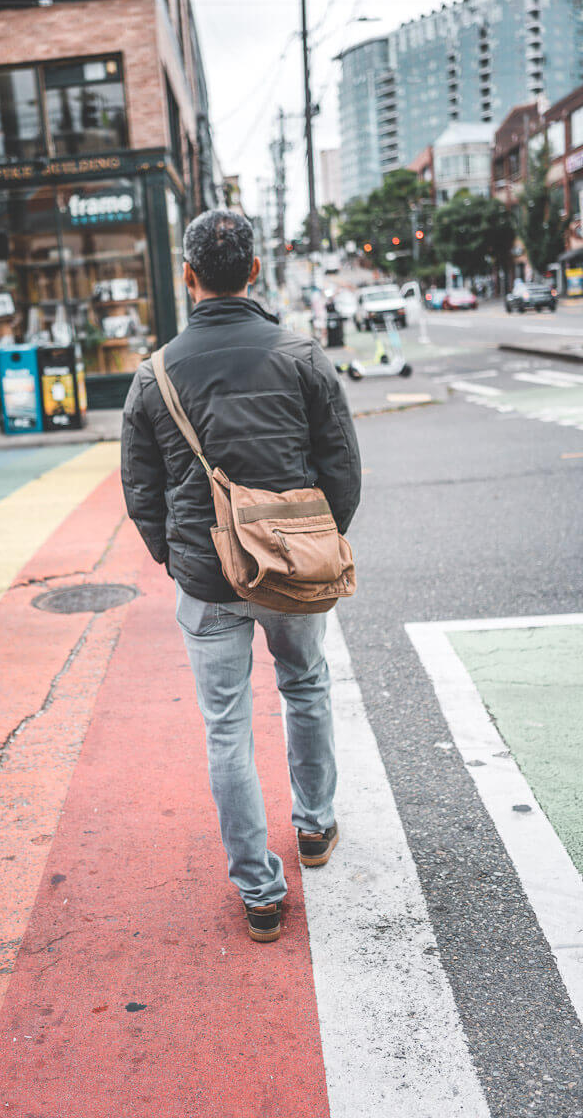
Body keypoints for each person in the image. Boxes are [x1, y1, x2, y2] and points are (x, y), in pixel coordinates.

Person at [121, 210, 361, 943]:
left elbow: (141, 488)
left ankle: (258, 891)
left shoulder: (154, 374)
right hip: (289, 566)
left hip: (207, 577)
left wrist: (181, 558)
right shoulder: (302, 356)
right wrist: (317, 541)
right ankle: (315, 828)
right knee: (307, 685)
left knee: (226, 727)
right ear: (254, 271)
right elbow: (341, 470)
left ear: (187, 276)